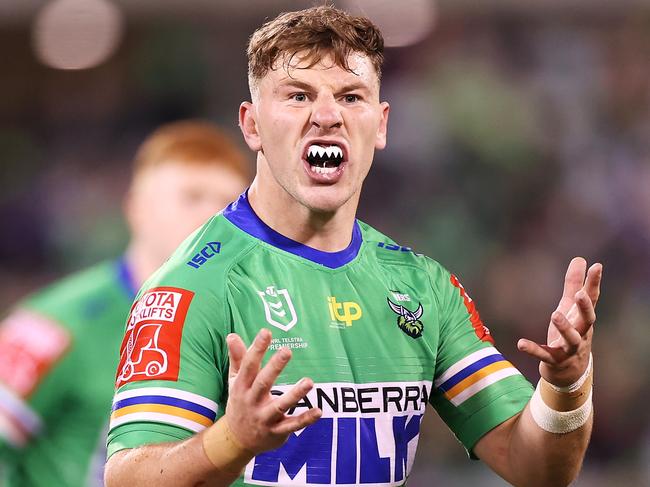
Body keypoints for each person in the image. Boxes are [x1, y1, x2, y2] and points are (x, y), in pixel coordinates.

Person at [104, 7, 602, 487]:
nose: (327, 116)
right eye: (298, 96)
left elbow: (536, 468)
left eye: (350, 97)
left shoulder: (421, 287)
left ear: (380, 124)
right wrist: (232, 440)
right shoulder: (193, 286)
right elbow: (127, 477)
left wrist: (565, 385)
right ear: (252, 124)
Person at [0, 120, 251, 487]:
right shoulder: (54, 326)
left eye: (228, 204)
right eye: (192, 196)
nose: (212, 218)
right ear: (136, 208)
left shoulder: (259, 320)